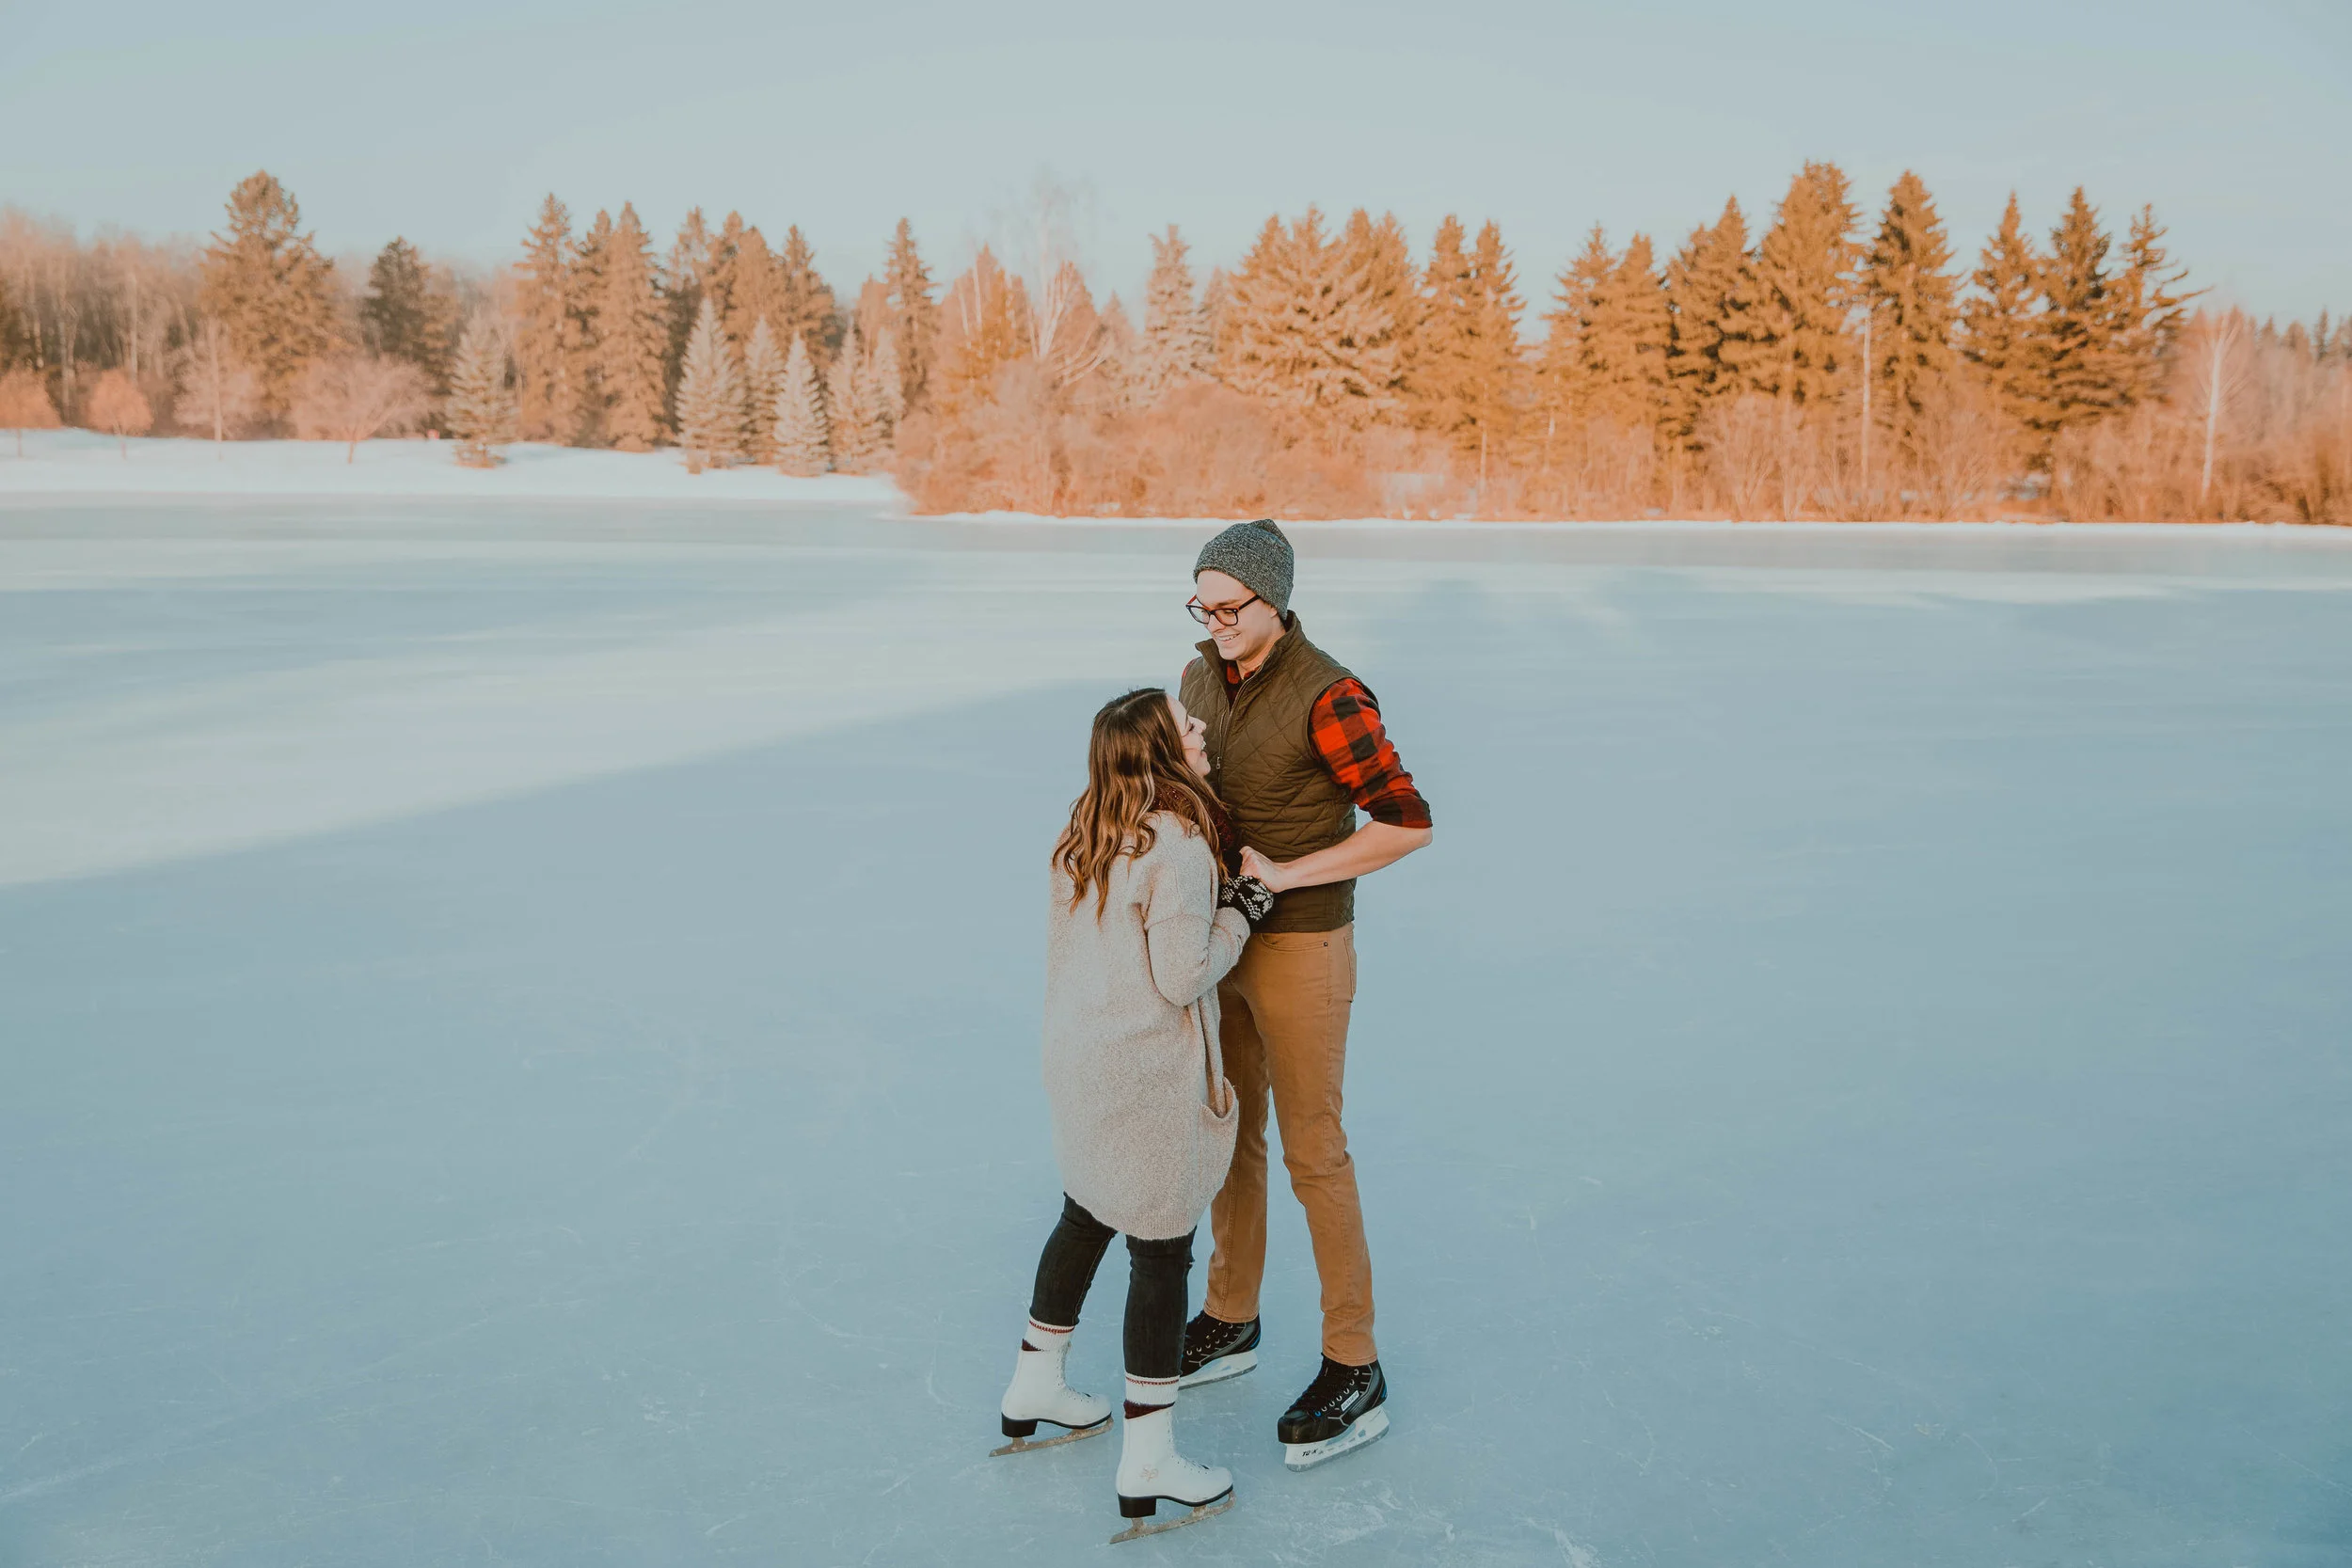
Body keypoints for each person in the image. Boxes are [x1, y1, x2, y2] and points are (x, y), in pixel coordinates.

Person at [1173, 519, 1433, 1471]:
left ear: (1273, 599)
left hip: (1302, 941)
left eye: (1231, 605)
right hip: (1222, 936)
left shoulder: (1330, 692)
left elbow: (1407, 823)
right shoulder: (1201, 672)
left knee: (1312, 1147)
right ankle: (1229, 1316)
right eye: (1202, 603)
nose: (1216, 619)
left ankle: (1353, 1361)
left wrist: (1285, 872)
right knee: (1230, 1127)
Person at [995, 687, 1278, 1544]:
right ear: (1161, 750)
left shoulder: (1084, 830)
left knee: (1085, 1212)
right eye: (1184, 725)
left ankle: (1034, 1384)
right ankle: (1149, 1461)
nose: (1198, 729)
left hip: (1080, 1063)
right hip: (1146, 1077)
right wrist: (1244, 910)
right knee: (1160, 1250)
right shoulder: (1180, 846)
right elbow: (1181, 975)